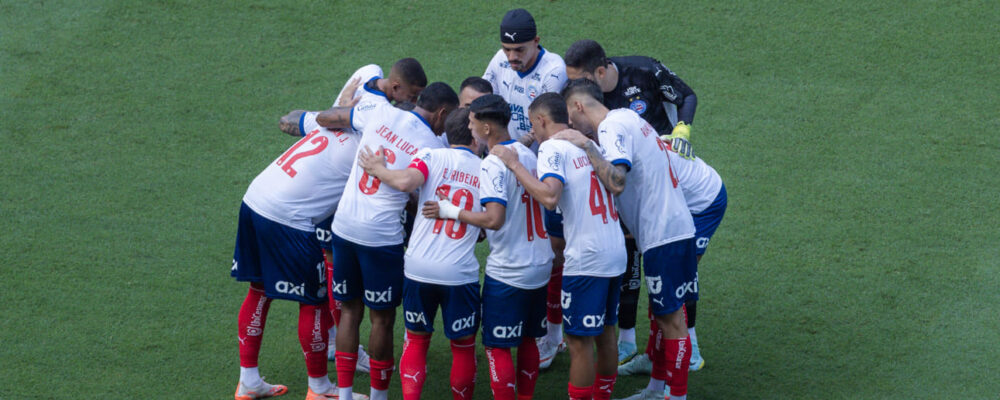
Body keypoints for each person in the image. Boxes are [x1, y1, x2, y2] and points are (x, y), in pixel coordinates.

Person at [552, 79, 697, 400]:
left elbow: (617, 181)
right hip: (674, 228)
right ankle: (657, 389)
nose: (571, 125)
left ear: (578, 106)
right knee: (664, 315)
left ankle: (676, 396)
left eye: (570, 117)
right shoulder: (630, 117)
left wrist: (586, 145)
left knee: (672, 321)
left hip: (663, 235)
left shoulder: (610, 127)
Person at [314, 81, 459, 400]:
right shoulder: (433, 147)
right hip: (380, 237)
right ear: (441, 113)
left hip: (343, 226)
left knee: (349, 311)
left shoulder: (379, 111)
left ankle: (345, 395)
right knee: (382, 318)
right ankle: (378, 397)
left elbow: (328, 117)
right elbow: (424, 199)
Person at [491, 92, 625, 400]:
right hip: (614, 251)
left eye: (533, 125)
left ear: (541, 120)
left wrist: (513, 164)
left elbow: (550, 197)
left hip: (587, 259)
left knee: (579, 342)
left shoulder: (552, 147)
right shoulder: (588, 145)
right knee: (606, 333)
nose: (533, 133)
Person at [423, 95, 554, 400]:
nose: (469, 129)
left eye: (471, 124)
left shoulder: (493, 163)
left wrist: (451, 211)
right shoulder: (528, 154)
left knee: (497, 347)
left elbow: (494, 219)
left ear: (485, 128)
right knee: (529, 340)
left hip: (510, 269)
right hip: (540, 263)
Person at [230, 106, 362, 400]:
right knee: (314, 302)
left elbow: (289, 119)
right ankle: (319, 389)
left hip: (254, 200)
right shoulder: (366, 147)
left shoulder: (330, 125)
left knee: (259, 290)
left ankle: (248, 381)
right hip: (289, 219)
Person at [355, 108, 482, 400]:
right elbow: (492, 220)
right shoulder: (486, 168)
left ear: (447, 134)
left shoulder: (430, 155)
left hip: (418, 268)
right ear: (476, 137)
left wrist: (378, 169)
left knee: (416, 340)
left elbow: (406, 182)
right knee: (463, 348)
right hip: (458, 273)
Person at [483, 8, 571, 367]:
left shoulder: (553, 70)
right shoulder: (500, 61)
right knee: (519, 243)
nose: (511, 57)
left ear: (537, 41)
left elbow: (542, 122)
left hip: (542, 166)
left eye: (519, 50)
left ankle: (552, 334)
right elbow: (484, 99)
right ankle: (535, 329)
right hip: (512, 164)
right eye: (507, 50)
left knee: (554, 249)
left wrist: (514, 149)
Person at [563, 39, 697, 159]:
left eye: (580, 80)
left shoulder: (645, 71)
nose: (574, 86)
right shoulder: (573, 93)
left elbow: (687, 96)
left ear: (600, 72)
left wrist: (681, 132)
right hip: (620, 159)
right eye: (571, 80)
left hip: (664, 154)